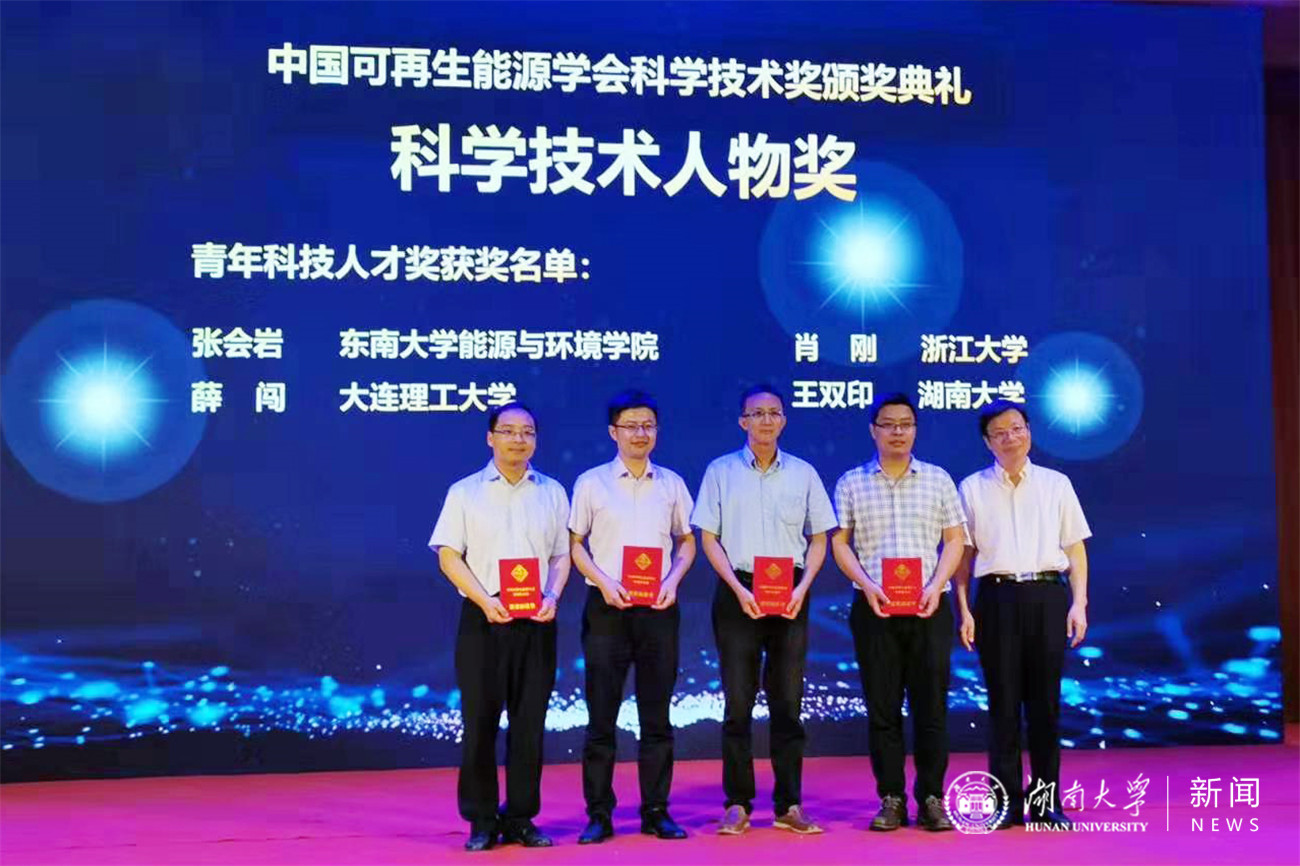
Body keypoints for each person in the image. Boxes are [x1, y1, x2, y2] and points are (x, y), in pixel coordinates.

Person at [691, 384, 838, 836]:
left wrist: (803, 588)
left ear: (784, 420)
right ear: (743, 421)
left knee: (788, 702)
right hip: (738, 590)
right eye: (757, 413)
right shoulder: (720, 471)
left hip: (790, 591)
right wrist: (737, 588)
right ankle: (737, 803)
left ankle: (789, 803)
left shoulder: (804, 473)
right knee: (738, 703)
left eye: (774, 413)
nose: (766, 420)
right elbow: (708, 538)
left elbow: (820, 537)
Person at [428, 402, 571, 851]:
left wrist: (552, 597)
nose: (518, 439)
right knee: (480, 723)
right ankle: (482, 820)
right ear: (490, 438)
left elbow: (561, 554)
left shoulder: (552, 492)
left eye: (527, 432)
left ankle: (522, 817)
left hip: (536, 620)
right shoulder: (465, 492)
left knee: (530, 724)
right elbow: (448, 555)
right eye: (508, 431)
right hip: (484, 618)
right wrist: (484, 600)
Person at [830, 393, 966, 832]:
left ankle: (931, 798)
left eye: (905, 424)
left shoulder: (938, 479)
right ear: (873, 430)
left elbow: (955, 541)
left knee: (932, 708)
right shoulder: (852, 482)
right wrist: (867, 584)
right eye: (888, 424)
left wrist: (935, 585)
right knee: (883, 707)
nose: (897, 432)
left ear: (915, 429)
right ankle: (891, 798)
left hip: (929, 606)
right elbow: (839, 543)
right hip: (875, 607)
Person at [955, 399, 1091, 829]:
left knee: (1045, 706)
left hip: (1047, 596)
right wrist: (964, 608)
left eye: (1017, 428)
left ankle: (1046, 803)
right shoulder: (971, 488)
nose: (1010, 438)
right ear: (987, 442)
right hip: (996, 598)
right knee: (1003, 704)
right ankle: (1006, 803)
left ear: (1029, 431)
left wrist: (1079, 602)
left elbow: (1075, 549)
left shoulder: (1056, 484)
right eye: (1000, 433)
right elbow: (963, 557)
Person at [570, 390, 696, 844]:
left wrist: (672, 581)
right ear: (613, 432)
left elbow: (687, 541)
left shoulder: (672, 484)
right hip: (607, 608)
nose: (640, 433)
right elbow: (574, 544)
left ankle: (656, 810)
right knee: (601, 716)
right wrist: (604, 581)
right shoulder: (591, 483)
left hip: (658, 608)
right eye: (631, 426)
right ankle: (599, 814)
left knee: (657, 716)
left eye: (648, 425)